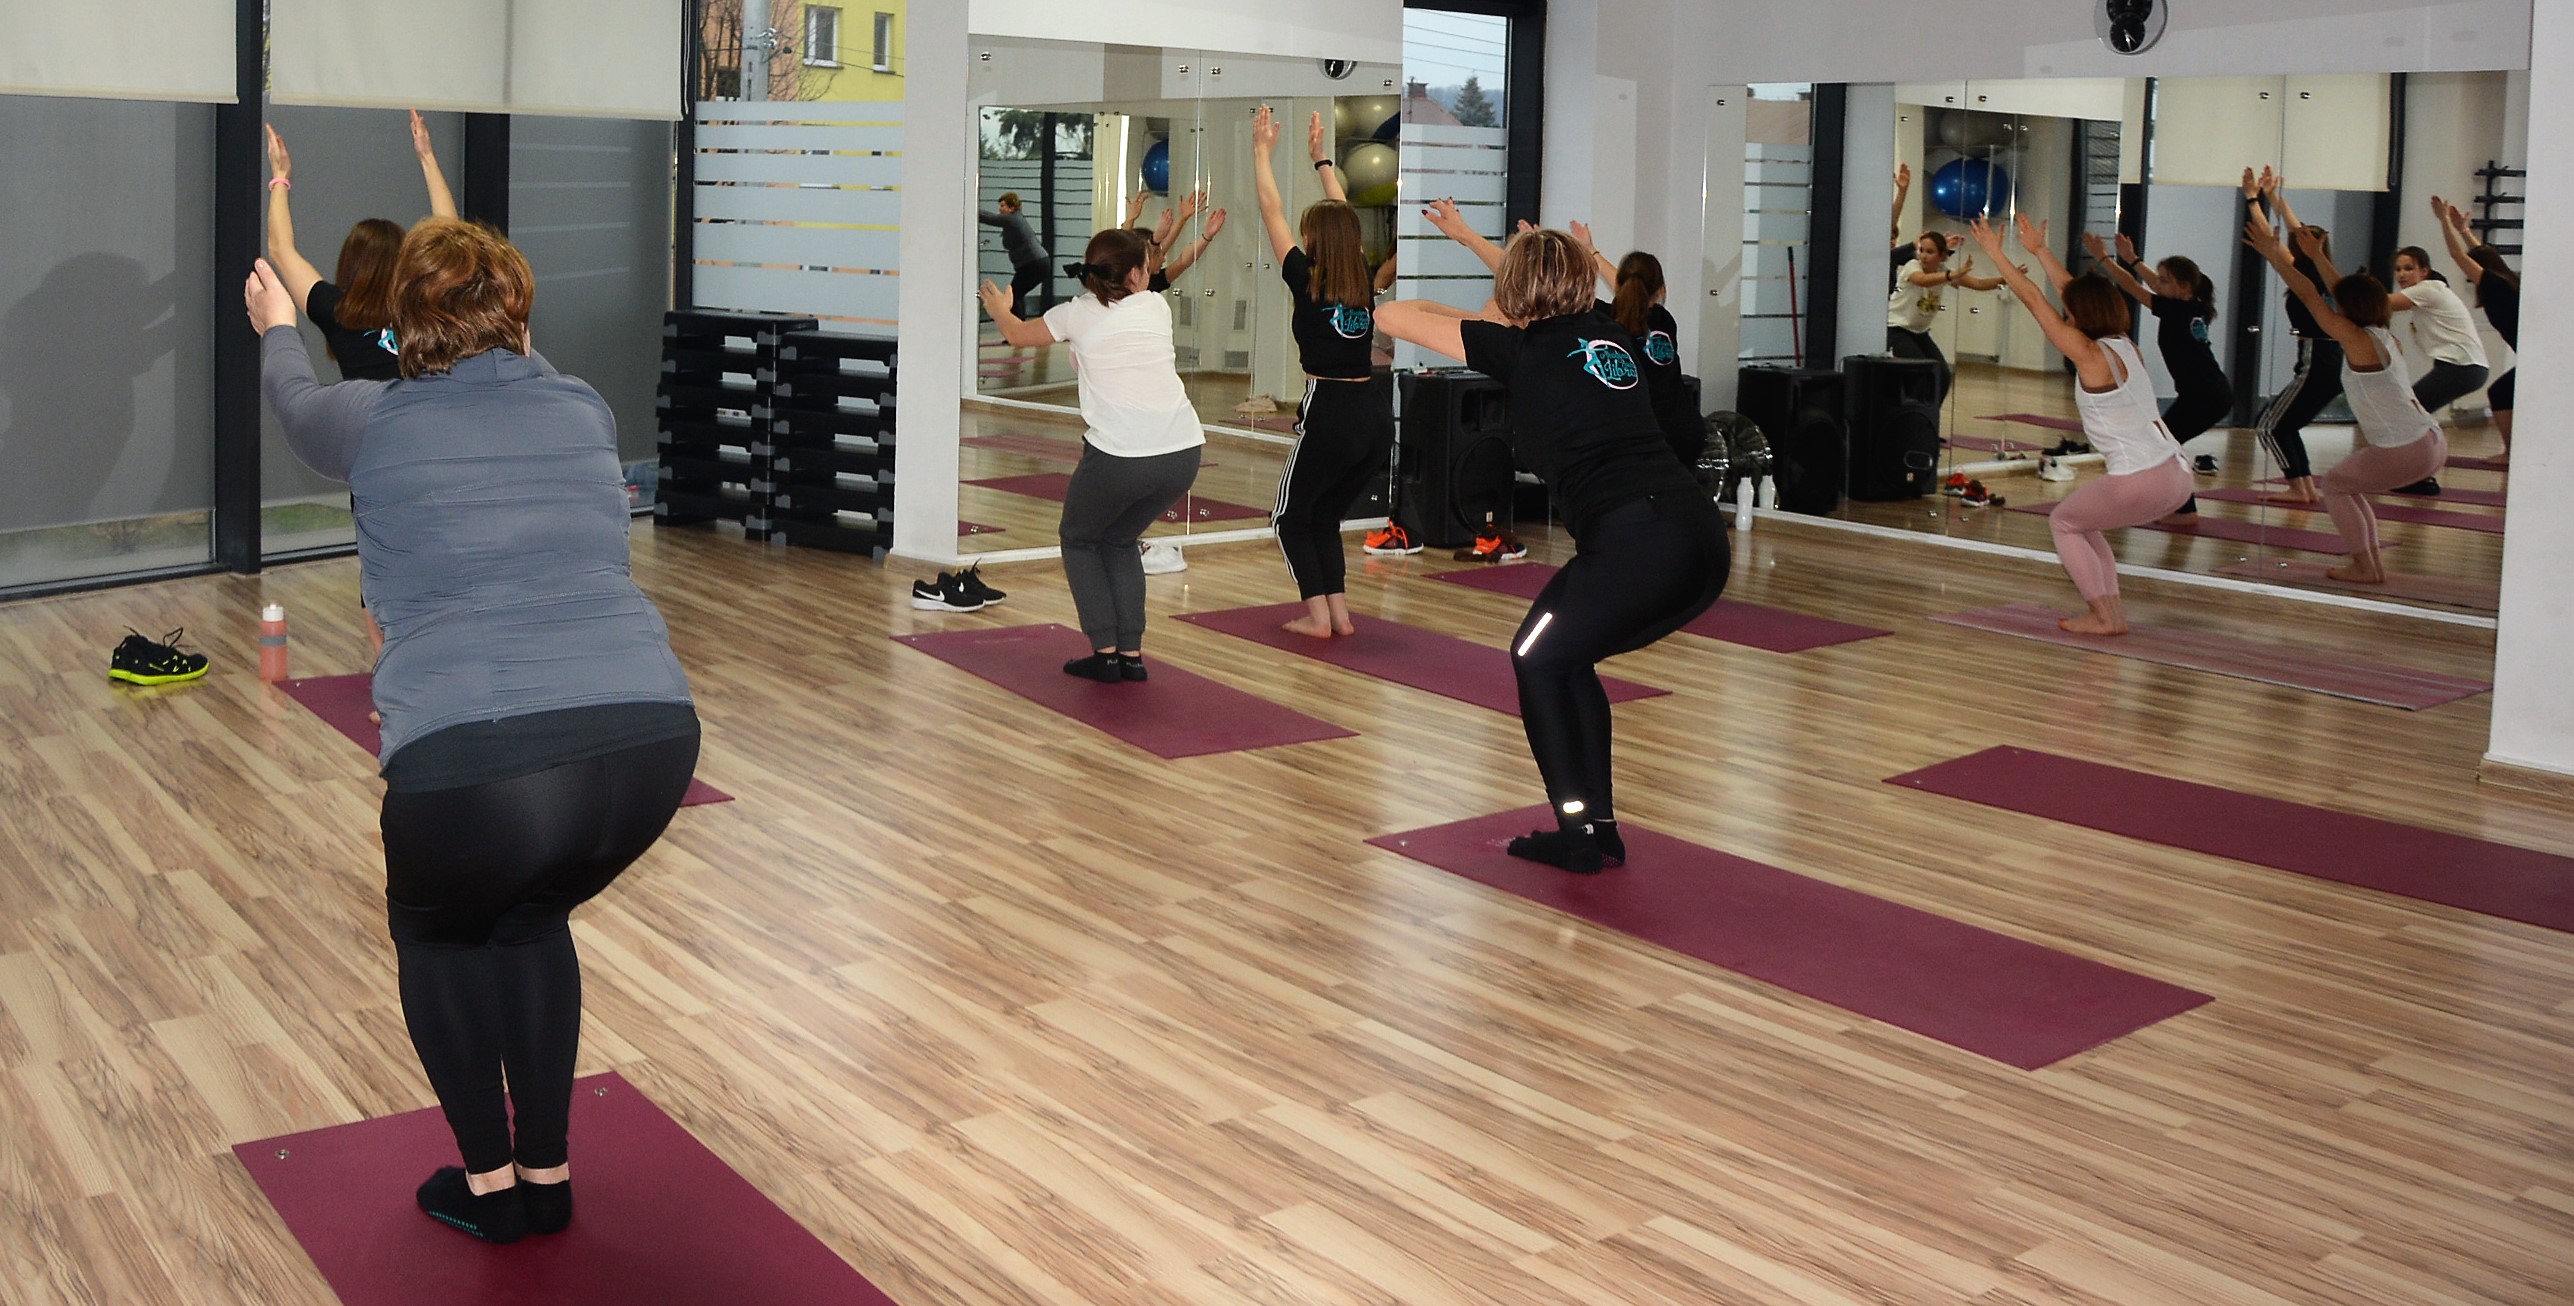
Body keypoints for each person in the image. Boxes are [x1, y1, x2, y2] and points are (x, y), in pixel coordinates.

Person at [249, 220, 699, 1245]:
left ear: (404, 324)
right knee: (530, 921)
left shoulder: (376, 417)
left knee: (441, 937)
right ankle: (549, 1174)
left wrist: (278, 321)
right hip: (649, 744)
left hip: (486, 763)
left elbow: (295, 401)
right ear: (521, 318)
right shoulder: (582, 405)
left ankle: (492, 1187)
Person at [1383, 215, 1728, 875]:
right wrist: (1505, 291)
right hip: (1697, 538)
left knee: (1535, 659)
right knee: (1568, 661)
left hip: (1636, 543)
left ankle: (1577, 835)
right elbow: (1541, 298)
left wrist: (1489, 313)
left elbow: (1392, 315)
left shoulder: (1520, 351)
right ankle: (1599, 829)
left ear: (1515, 292)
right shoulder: (1609, 329)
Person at [979, 229, 1204, 681]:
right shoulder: (1156, 307)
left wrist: (1000, 309)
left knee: (1079, 539)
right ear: (1137, 275)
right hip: (1183, 452)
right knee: (1119, 540)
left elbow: (1017, 334)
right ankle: (1130, 656)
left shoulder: (1076, 313)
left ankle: (1106, 654)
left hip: (1122, 457)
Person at [1970, 213, 2188, 636]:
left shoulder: (2089, 354)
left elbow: (2035, 299)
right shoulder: (2126, 346)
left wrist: (1996, 254)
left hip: (2141, 477)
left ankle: (2104, 616)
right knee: (2084, 523)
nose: (2065, 315)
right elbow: (2074, 293)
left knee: (2063, 522)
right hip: (2176, 473)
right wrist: (2040, 251)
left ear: (2080, 315)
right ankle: (2112, 614)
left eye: (2070, 313)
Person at [1251, 105, 1395, 639]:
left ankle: (1318, 617)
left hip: (1330, 409)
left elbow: (1270, 208)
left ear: (1312, 241)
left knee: (1290, 517)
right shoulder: (1361, 275)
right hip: (1373, 415)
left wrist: (1261, 153)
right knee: (1325, 515)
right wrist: (1321, 161)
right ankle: (1339, 615)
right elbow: (1344, 216)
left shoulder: (1305, 276)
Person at [2245, 217, 2447, 585]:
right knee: (2345, 486)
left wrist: (2275, 256)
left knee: (2335, 486)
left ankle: (2366, 567)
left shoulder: (2357, 339)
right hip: (2431, 440)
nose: (2334, 303)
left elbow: (2310, 294)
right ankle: (2371, 566)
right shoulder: (2382, 334)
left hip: (2406, 447)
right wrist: (2317, 256)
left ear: (2348, 308)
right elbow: (2342, 291)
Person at [263, 111, 455, 383]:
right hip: (430, 410)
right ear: (403, 263)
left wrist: (280, 176)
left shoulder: (338, 313)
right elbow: (450, 238)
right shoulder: (425, 307)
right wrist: (427, 158)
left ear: (350, 265)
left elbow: (281, 250)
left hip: (363, 412)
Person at [2086, 231, 2231, 522]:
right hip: (2210, 393)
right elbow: (2152, 283)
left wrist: (2103, 258)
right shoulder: (2193, 305)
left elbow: (2131, 287)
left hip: (2204, 396)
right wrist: (2132, 259)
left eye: (2165, 280)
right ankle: (2178, 506)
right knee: (2166, 443)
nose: (2158, 283)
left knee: (2165, 445)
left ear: (2184, 286)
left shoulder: (2175, 309)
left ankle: (2184, 510)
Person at [1564, 221, 1699, 464]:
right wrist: (1592, 251)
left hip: (1643, 439)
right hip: (1683, 433)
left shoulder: (1604, 322)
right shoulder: (1664, 320)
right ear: (1661, 289)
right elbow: (1634, 288)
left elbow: (1562, 294)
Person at [2247, 168, 2339, 506]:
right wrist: (2270, 195)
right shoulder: (2316, 270)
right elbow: (2292, 228)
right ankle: (2305, 488)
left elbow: (2270, 238)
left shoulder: (2307, 273)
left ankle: (2300, 488)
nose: (2294, 240)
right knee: (2285, 425)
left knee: (2268, 425)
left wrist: (2253, 200)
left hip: (2318, 359)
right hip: (2327, 360)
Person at [2381, 243, 2491, 496]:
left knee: (2410, 414)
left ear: (2424, 271)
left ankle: (2420, 476)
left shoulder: (2429, 289)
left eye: (2409, 268)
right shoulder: (2426, 295)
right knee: (2416, 415)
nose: (2402, 274)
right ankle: (2420, 475)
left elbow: (2380, 303)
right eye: (2398, 269)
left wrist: (2349, 291)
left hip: (2462, 367)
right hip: (2462, 368)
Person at [2434, 195, 2519, 464]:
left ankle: (2510, 453)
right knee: (2503, 393)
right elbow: (2483, 254)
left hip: (2539, 359)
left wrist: (2444, 221)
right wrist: (2464, 230)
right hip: (2538, 357)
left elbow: (2458, 255)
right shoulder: (2507, 280)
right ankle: (2513, 451)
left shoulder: (2494, 285)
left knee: (2500, 393)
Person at [1888, 228, 2001, 403]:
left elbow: (1978, 284)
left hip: (1919, 333)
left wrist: (2007, 279)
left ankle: (1930, 414)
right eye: (1921, 251)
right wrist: (1951, 275)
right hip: (1896, 329)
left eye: (1930, 252)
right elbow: (1922, 280)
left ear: (1942, 256)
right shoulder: (1913, 266)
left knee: (1942, 375)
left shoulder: (1942, 271)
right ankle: (1913, 413)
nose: (1924, 256)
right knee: (1921, 371)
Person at [980, 192, 1051, 321]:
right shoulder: (1014, 220)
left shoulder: (1011, 219)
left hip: (1034, 264)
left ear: (1012, 208)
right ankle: (1020, 325)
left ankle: (1019, 326)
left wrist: (970, 209)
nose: (1000, 209)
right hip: (1036, 263)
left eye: (1003, 206)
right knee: (1016, 294)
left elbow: (989, 218)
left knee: (1014, 295)